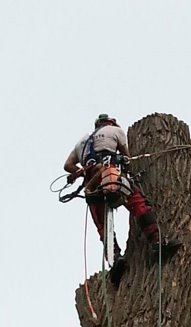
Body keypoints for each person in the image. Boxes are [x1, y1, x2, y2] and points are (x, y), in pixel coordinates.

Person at [64, 114, 180, 286]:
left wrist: (80, 172)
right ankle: (156, 242)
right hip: (110, 174)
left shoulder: (82, 143)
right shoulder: (115, 131)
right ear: (110, 122)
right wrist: (126, 166)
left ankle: (115, 258)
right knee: (138, 203)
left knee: (103, 226)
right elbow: (127, 157)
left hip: (91, 186)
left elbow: (68, 165)